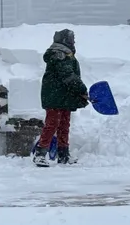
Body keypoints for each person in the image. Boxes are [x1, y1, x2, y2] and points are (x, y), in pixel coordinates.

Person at [33, 28, 89, 167]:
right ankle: (40, 154)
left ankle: (63, 155)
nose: (74, 41)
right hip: (54, 96)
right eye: (71, 39)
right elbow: (68, 76)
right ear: (64, 40)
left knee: (64, 124)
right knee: (52, 124)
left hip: (63, 96)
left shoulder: (67, 54)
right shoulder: (58, 55)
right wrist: (81, 89)